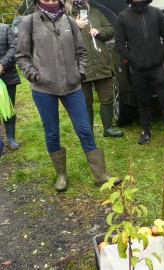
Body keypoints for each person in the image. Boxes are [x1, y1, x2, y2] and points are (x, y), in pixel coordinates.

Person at [16, 0, 119, 192]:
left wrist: (80, 73)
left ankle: (100, 175)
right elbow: (22, 56)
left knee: (85, 130)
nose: (51, 1)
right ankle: (61, 175)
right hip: (43, 89)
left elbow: (81, 51)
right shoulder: (29, 22)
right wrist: (35, 75)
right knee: (52, 132)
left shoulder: (69, 22)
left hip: (72, 86)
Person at [114, 0, 164, 145]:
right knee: (142, 101)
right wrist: (133, 59)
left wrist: (161, 54)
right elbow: (119, 44)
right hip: (138, 69)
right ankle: (146, 131)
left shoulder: (156, 12)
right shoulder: (123, 16)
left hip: (157, 67)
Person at [65, 0, 124, 138]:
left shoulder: (96, 13)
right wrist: (76, 26)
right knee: (85, 103)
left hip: (101, 64)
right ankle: (88, 132)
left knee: (107, 98)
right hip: (81, 66)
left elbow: (111, 30)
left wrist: (100, 31)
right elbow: (61, 39)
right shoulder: (66, 17)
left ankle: (108, 128)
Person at [0, 23, 21, 150]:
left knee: (8, 108)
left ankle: (11, 138)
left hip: (7, 77)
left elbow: (14, 48)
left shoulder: (5, 28)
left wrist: (2, 64)